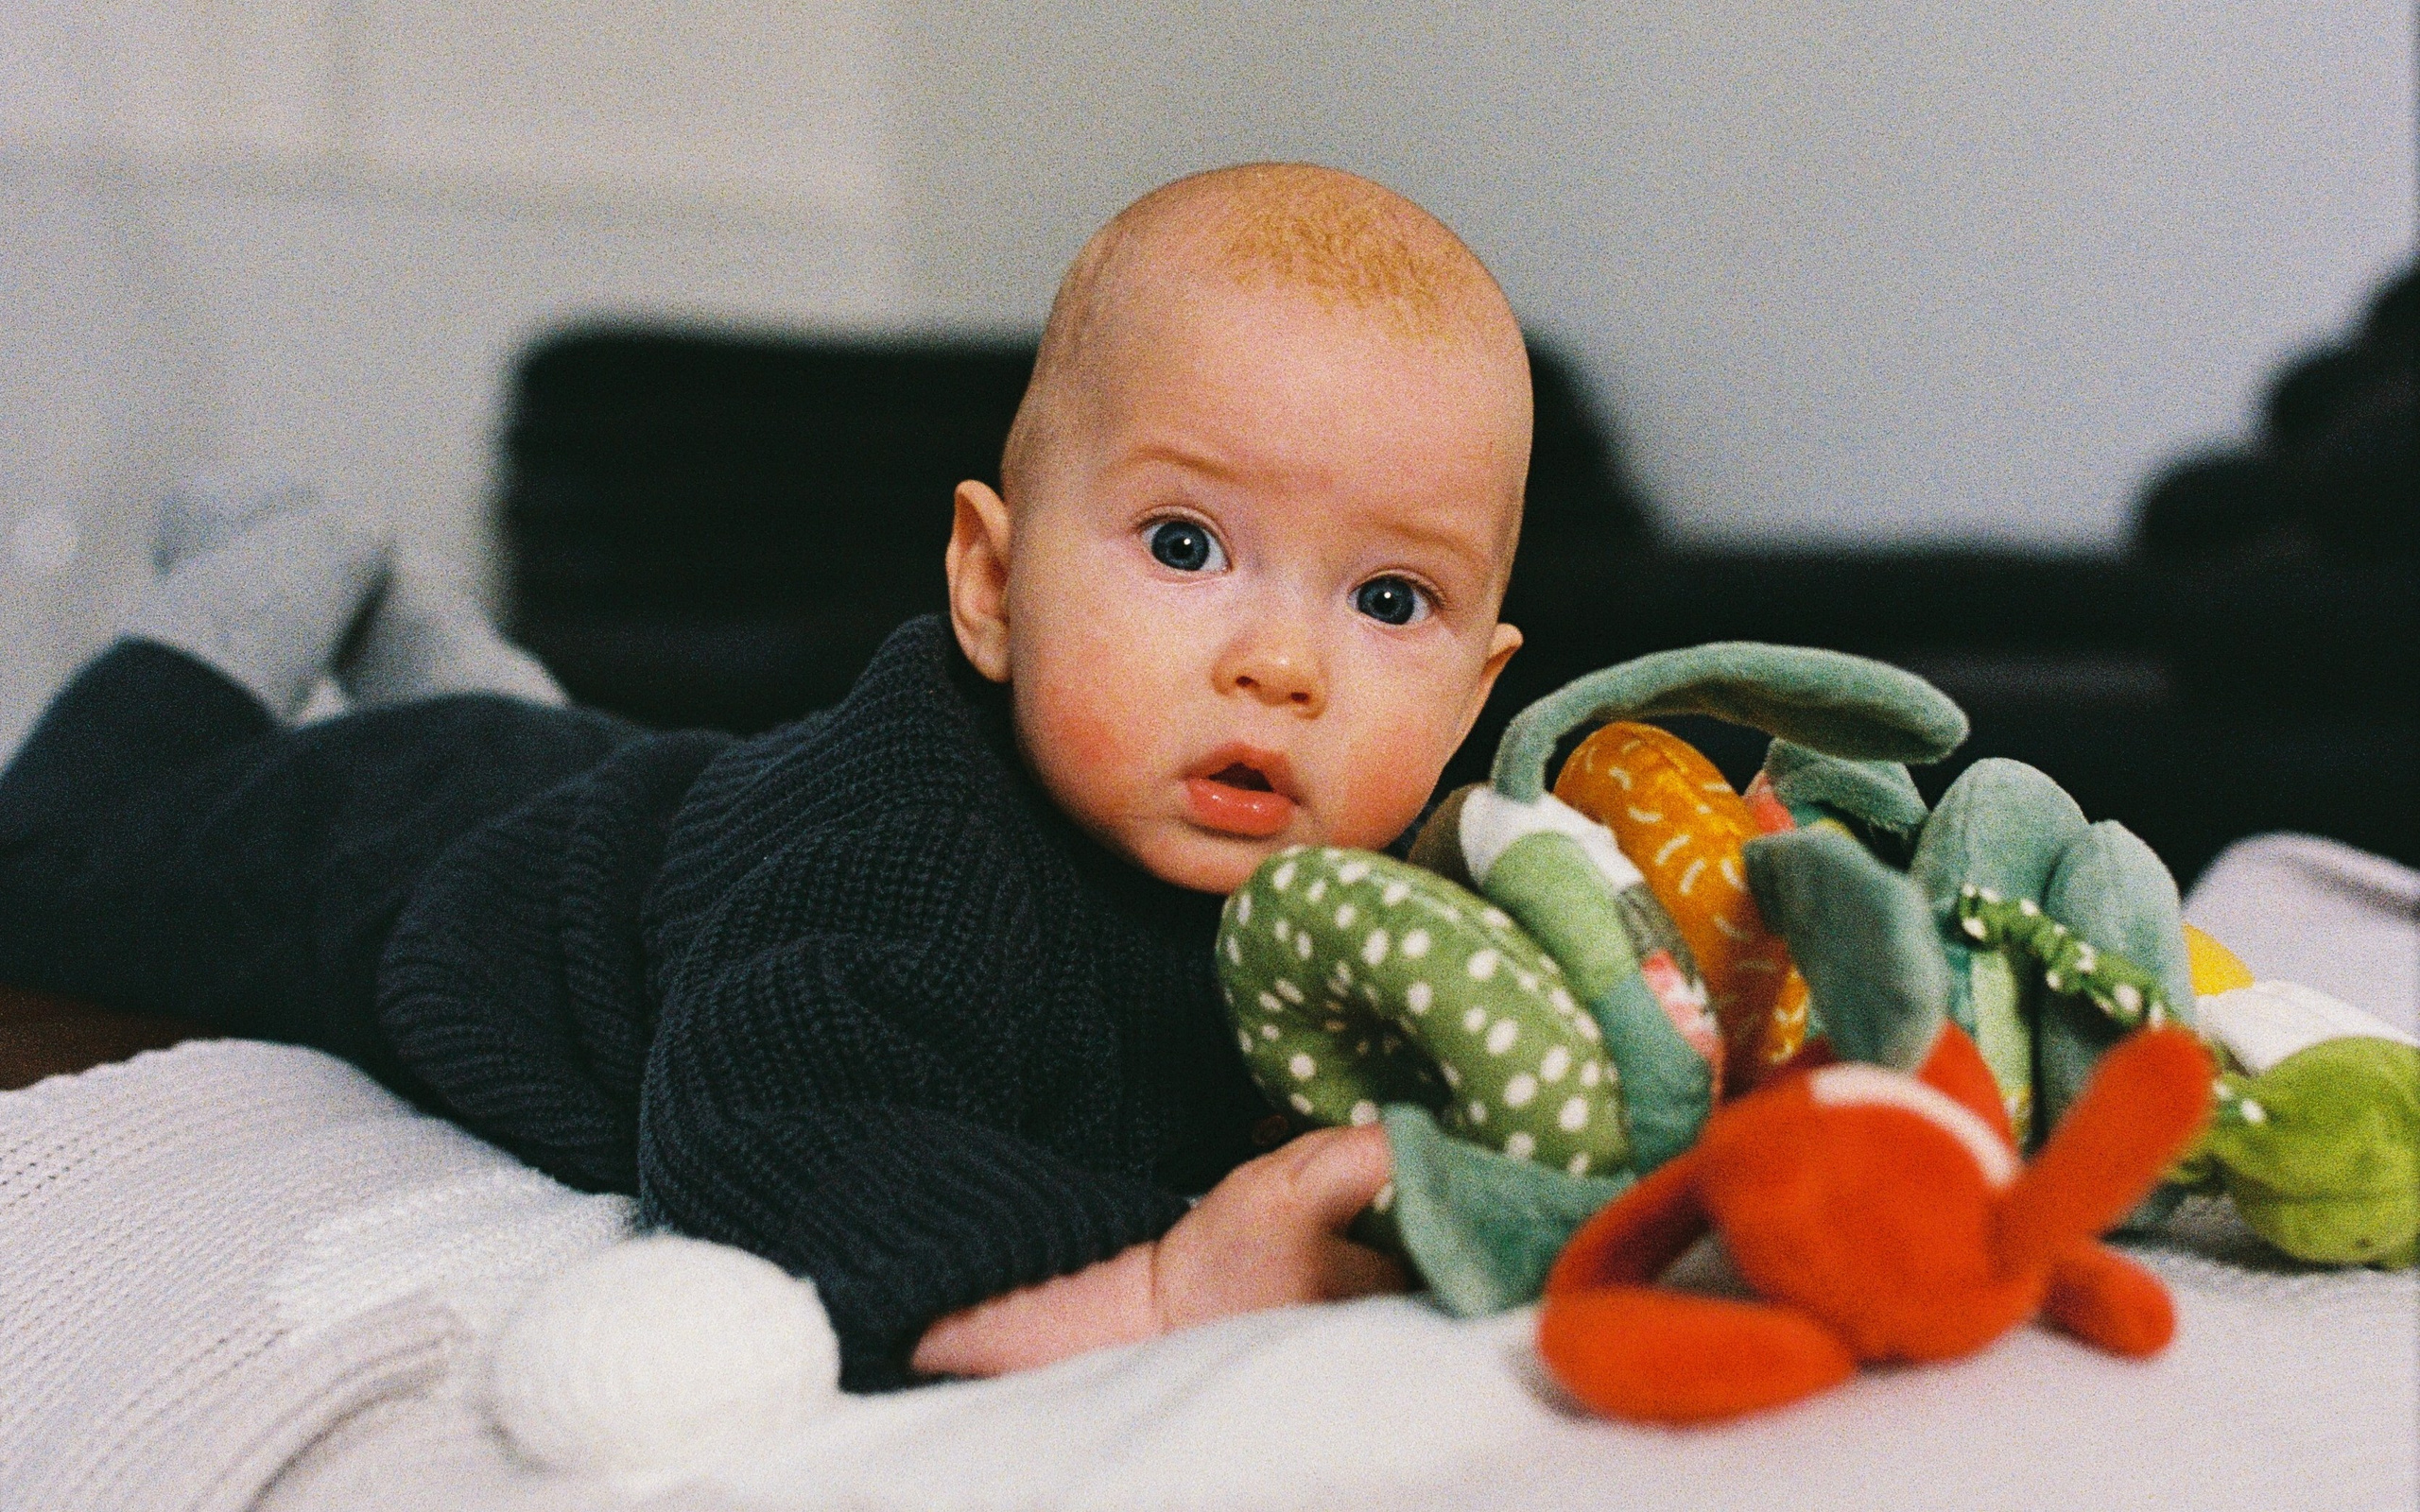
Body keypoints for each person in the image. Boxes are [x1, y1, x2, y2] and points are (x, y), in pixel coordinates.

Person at [0, 163, 1534, 1389]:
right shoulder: (903, 856)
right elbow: (772, 1144)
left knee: (544, 744)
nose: (1285, 665)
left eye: (1390, 601)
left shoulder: (1359, 891)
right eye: (1186, 546)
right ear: (991, 587)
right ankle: (269, 580)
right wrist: (1156, 1282)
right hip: (423, 858)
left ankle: (441, 654)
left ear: (1478, 693)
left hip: (631, 798)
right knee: (60, 861)